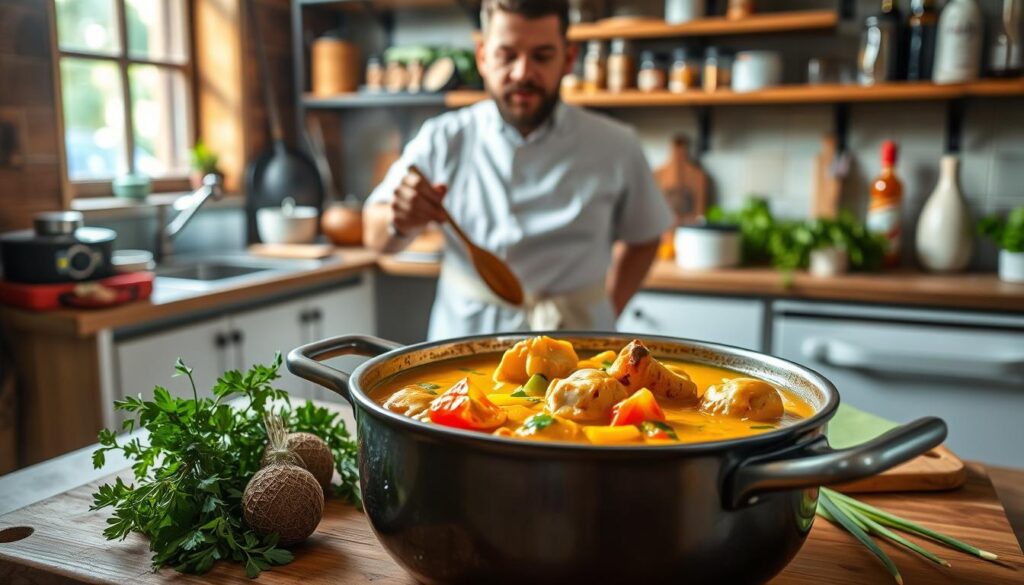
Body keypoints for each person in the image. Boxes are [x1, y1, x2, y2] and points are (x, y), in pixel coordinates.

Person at [363, 0, 671, 341]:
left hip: (580, 343)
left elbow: (645, 236)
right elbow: (374, 236)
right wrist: (399, 219)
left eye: (541, 56)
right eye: (506, 55)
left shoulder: (616, 144)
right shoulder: (443, 138)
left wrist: (608, 305)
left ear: (568, 59)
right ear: (482, 56)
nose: (523, 72)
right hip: (463, 345)